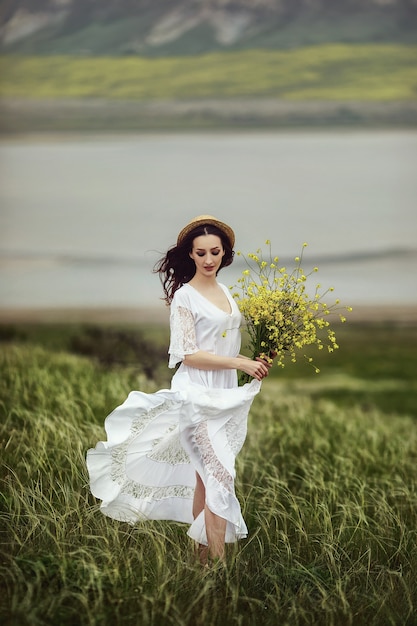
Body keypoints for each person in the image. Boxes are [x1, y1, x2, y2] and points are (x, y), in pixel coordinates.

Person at [86, 215, 271, 566]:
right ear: (190, 255)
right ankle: (217, 569)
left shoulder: (225, 292)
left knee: (206, 480)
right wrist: (241, 365)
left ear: (225, 253)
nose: (208, 259)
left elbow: (224, 348)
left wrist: (255, 361)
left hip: (226, 397)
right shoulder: (185, 297)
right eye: (200, 253)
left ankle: (201, 563)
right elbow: (189, 354)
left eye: (215, 252)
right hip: (197, 397)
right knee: (220, 477)